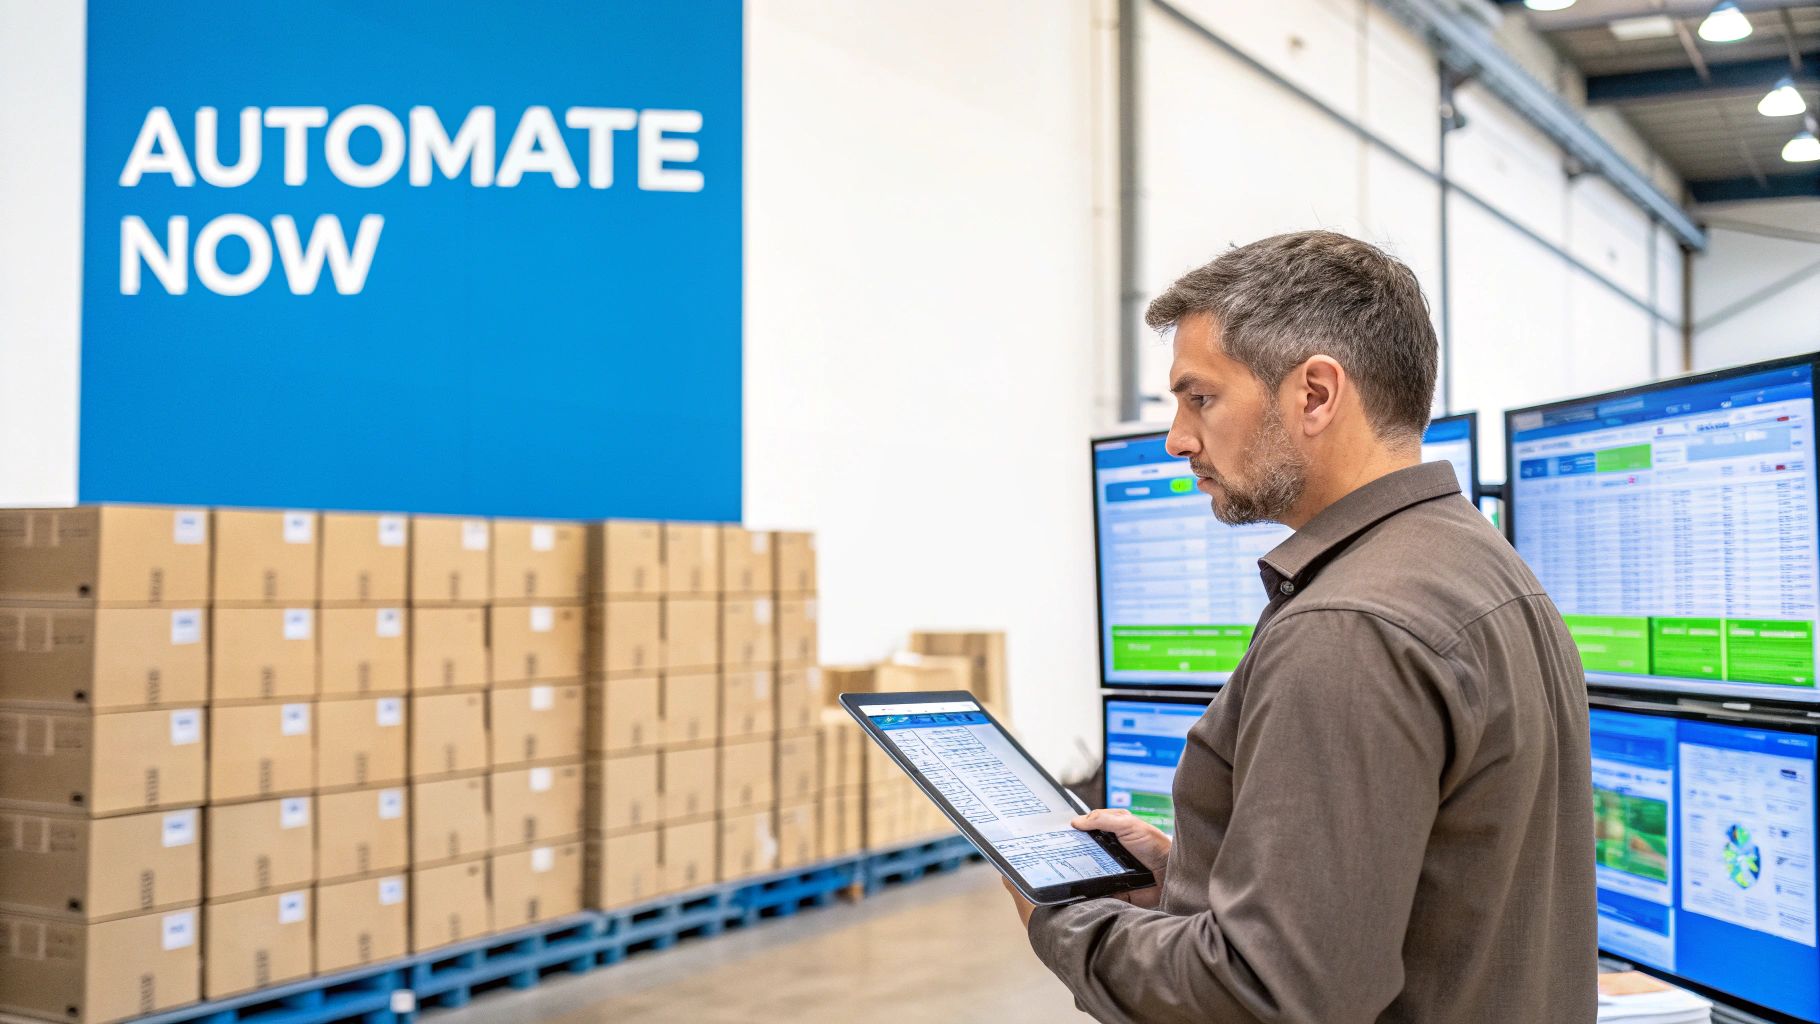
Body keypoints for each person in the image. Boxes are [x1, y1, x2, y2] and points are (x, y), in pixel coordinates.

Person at [1006, 231, 1595, 1023]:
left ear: (1315, 394)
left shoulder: (1347, 628)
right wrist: (1189, 876)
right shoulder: (1477, 565)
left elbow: (1267, 995)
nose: (1178, 437)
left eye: (1200, 398)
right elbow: (1422, 892)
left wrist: (1069, 917)